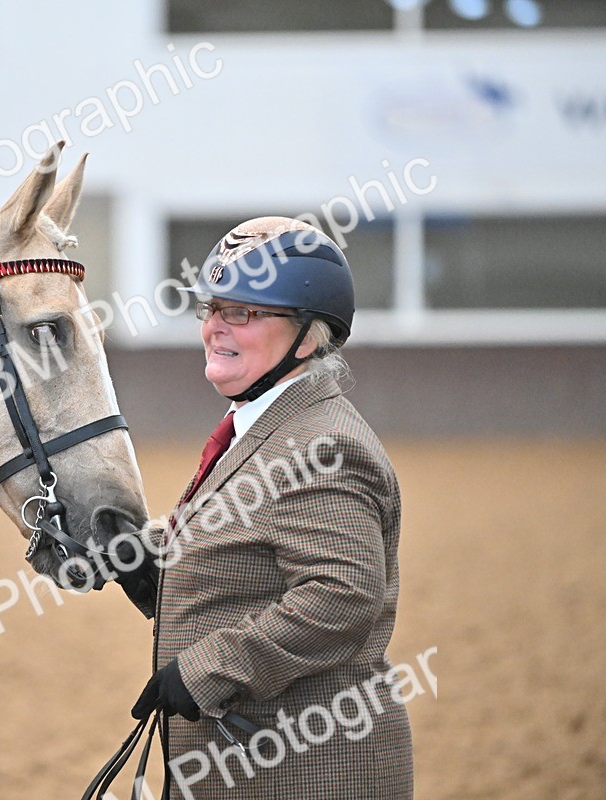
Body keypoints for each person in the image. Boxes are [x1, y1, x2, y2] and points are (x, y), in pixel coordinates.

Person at [120, 217, 413, 799]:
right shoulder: (265, 426)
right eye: (211, 309)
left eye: (243, 313)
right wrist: (137, 555)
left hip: (308, 771)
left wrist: (210, 669)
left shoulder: (325, 446)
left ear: (308, 337)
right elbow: (239, 543)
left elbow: (341, 595)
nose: (212, 329)